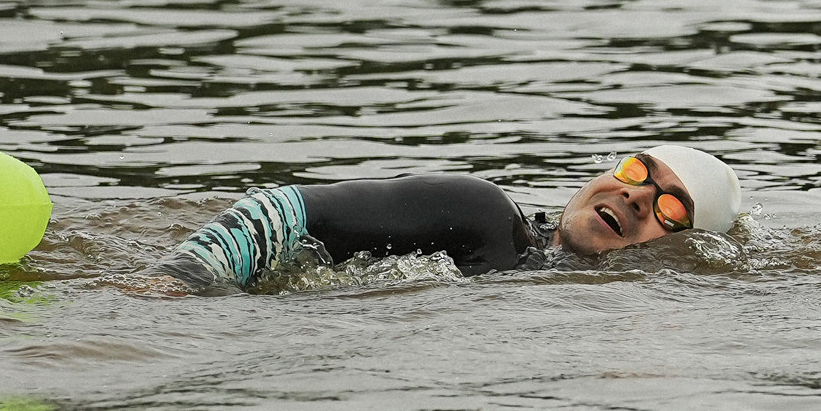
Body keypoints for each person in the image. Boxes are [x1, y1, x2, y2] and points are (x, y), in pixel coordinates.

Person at [152, 145, 744, 294]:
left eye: (671, 210)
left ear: (683, 252)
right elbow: (281, 208)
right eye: (637, 170)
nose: (638, 197)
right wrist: (176, 283)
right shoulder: (481, 216)